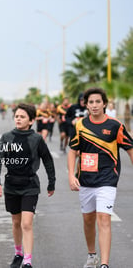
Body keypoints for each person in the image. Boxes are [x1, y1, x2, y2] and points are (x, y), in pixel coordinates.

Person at [67, 87, 133, 268]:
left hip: (107, 179)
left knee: (104, 218)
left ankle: (104, 264)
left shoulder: (115, 126)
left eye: (98, 102)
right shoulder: (80, 125)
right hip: (86, 180)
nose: (94, 105)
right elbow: (72, 151)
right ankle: (92, 255)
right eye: (91, 102)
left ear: (104, 103)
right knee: (88, 220)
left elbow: (130, 149)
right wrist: (71, 175)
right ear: (86, 104)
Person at [0, 103, 55, 268]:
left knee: (26, 223)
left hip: (30, 185)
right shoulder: (6, 137)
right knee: (15, 221)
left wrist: (51, 181)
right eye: (16, 116)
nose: (18, 119)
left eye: (22, 117)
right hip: (11, 185)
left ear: (31, 120)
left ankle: (27, 260)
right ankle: (18, 253)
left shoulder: (37, 139)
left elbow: (47, 160)